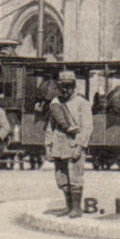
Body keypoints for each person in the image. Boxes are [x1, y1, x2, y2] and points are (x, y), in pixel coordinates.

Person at [44, 69, 93, 219]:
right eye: (63, 86)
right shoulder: (56, 104)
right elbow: (50, 127)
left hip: (73, 145)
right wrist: (48, 146)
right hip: (59, 146)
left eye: (69, 86)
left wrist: (80, 146)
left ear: (74, 86)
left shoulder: (82, 103)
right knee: (62, 178)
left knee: (75, 177)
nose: (66, 89)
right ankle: (68, 206)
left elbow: (87, 127)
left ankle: (77, 208)